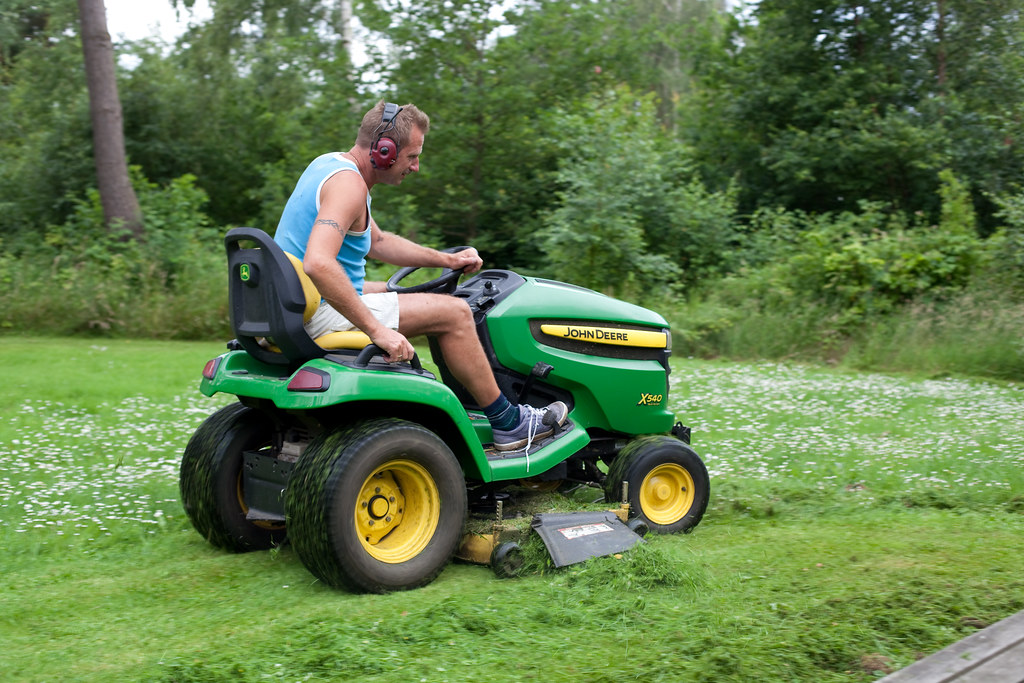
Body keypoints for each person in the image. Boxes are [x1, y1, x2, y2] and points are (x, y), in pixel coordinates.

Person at [274, 99, 567, 451]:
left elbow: (377, 242)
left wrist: (446, 260)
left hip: (296, 304)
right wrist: (377, 330)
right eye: (412, 157)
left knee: (400, 292)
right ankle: (510, 423)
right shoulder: (349, 186)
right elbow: (318, 263)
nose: (415, 167)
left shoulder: (329, 166)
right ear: (384, 151)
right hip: (317, 313)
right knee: (456, 313)